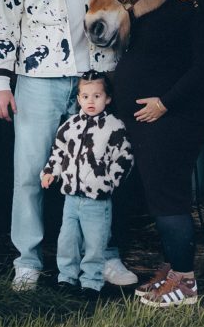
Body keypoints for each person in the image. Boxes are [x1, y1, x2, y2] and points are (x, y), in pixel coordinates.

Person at [0, 0, 138, 291]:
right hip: (39, 79)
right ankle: (28, 261)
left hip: (95, 78)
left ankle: (104, 256)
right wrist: (1, 83)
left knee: (98, 167)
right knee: (31, 173)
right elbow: (4, 23)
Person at [116, 0, 204, 308]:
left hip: (179, 116)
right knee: (158, 193)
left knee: (169, 197)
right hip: (151, 119)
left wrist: (164, 102)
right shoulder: (164, 7)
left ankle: (187, 284)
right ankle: (172, 268)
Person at [38, 74, 134, 294]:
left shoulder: (113, 127)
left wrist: (110, 181)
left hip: (97, 201)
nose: (91, 101)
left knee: (95, 244)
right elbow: (59, 152)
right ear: (79, 99)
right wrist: (50, 171)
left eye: (97, 96)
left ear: (107, 99)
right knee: (67, 241)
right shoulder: (70, 126)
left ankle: (91, 281)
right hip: (71, 198)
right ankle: (67, 277)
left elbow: (125, 157)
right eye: (85, 96)